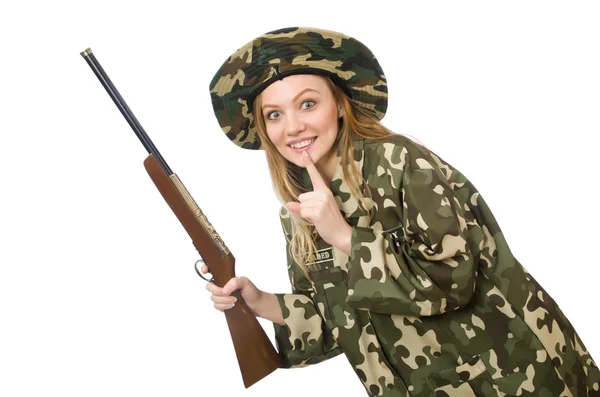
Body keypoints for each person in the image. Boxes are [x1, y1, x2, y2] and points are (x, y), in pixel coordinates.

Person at [204, 27, 600, 396]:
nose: (292, 127)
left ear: (340, 105)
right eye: (274, 114)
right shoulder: (299, 211)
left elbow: (452, 279)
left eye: (307, 104)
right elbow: (338, 321)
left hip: (511, 377)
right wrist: (258, 302)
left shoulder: (399, 162)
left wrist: (343, 236)